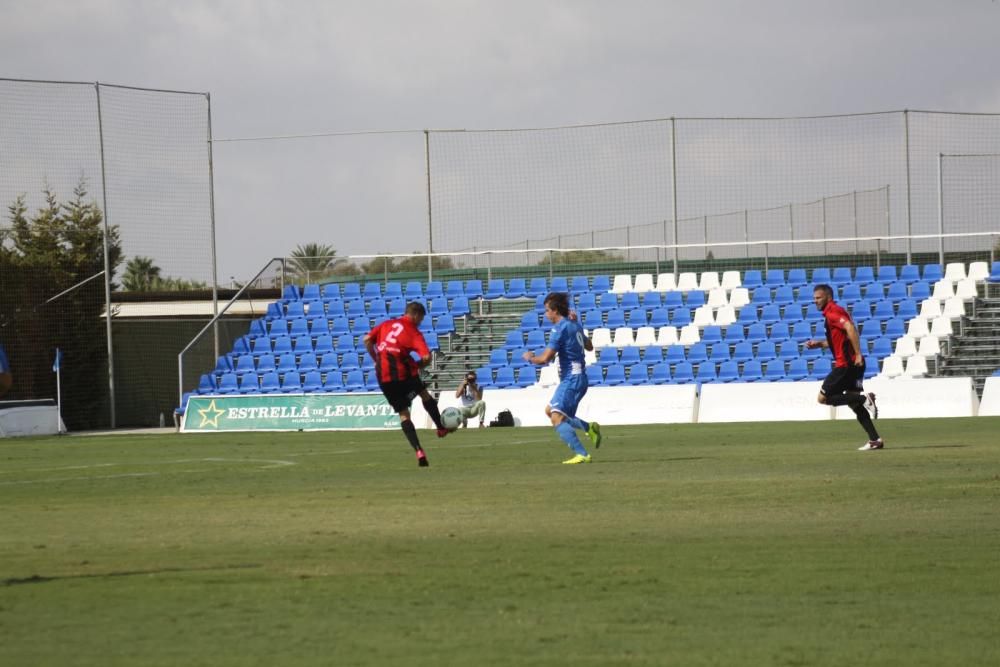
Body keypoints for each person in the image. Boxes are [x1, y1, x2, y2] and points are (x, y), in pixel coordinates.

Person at [364, 301, 449, 467]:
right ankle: (440, 427)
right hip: (403, 375)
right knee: (423, 393)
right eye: (421, 319)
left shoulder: (386, 324)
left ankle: (418, 450)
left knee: (403, 414)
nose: (420, 323)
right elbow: (426, 358)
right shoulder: (413, 332)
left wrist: (376, 359)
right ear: (416, 315)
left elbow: (367, 340)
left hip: (383, 377)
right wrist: (417, 366)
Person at [522, 292, 602, 464]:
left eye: (547, 310)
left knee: (556, 417)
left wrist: (530, 358)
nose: (545, 314)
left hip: (573, 378)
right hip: (577, 377)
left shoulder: (559, 329)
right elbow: (589, 346)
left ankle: (582, 454)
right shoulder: (574, 324)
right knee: (550, 411)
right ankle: (589, 428)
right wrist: (577, 325)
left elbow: (545, 359)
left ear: (555, 311)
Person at [804, 283, 883, 451]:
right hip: (854, 364)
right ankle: (875, 439)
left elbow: (850, 328)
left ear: (828, 297)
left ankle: (865, 398)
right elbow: (840, 338)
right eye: (814, 299)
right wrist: (820, 344)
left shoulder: (833, 311)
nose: (815, 301)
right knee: (854, 404)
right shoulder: (831, 313)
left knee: (823, 398)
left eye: (818, 298)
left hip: (846, 365)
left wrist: (858, 353)